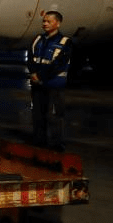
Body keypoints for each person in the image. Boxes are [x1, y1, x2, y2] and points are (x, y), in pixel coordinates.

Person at [28, 10, 72, 149]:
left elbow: (59, 63)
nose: (45, 24)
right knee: (38, 116)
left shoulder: (65, 42)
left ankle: (56, 146)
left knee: (54, 116)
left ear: (57, 23)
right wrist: (34, 73)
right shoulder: (38, 40)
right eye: (44, 21)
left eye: (48, 21)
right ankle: (39, 143)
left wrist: (40, 76)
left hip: (54, 86)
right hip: (38, 86)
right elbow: (31, 58)